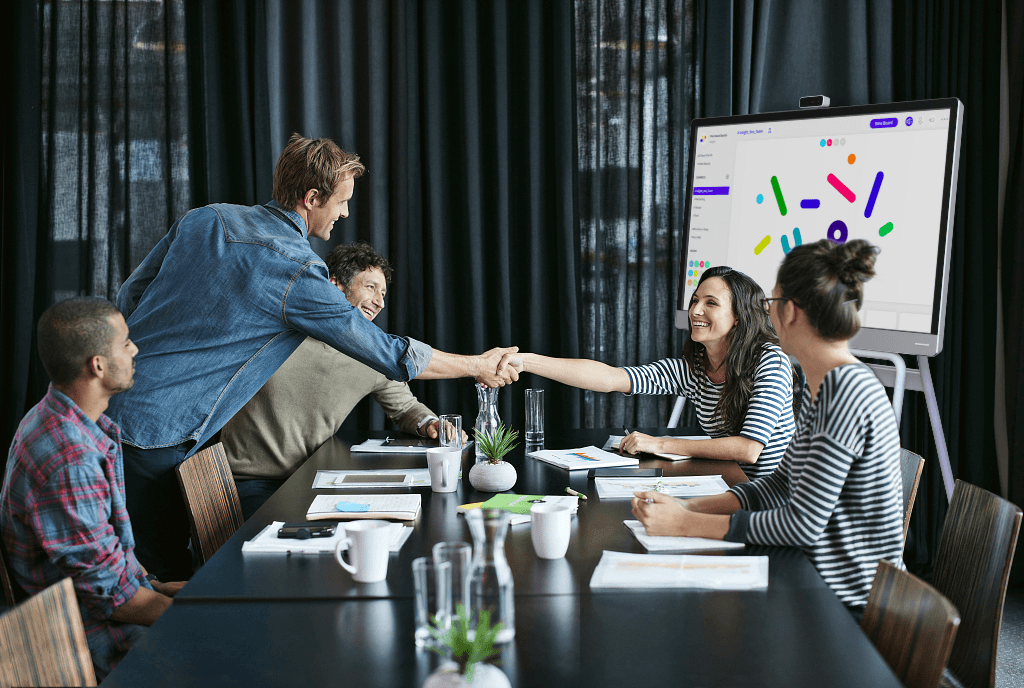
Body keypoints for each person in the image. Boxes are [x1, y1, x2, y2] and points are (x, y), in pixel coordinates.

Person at [106, 134, 517, 581]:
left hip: (114, 408)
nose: (343, 213)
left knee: (148, 570)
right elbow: (387, 353)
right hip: (155, 435)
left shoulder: (207, 219)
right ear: (311, 198)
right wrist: (477, 365)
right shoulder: (296, 270)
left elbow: (132, 294)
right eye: (340, 202)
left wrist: (158, 358)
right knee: (159, 581)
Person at [632, 239, 904, 613]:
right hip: (812, 582)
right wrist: (689, 507)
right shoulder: (820, 386)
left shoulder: (846, 391)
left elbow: (802, 525)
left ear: (790, 311)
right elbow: (778, 485)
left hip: (846, 607)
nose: (767, 315)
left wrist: (685, 525)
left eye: (771, 304)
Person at [0, 298, 185, 679]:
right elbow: (114, 600)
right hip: (83, 638)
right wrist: (201, 613)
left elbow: (111, 570)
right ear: (97, 365)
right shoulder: (70, 459)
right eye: (126, 343)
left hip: (101, 609)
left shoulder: (65, 419)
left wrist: (160, 587)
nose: (135, 350)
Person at [221, 241, 469, 519]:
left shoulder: (371, 354)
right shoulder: (276, 330)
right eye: (371, 287)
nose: (380, 302)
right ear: (335, 284)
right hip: (250, 483)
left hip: (316, 479)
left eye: (384, 293)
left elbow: (405, 407)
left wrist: (431, 424)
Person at [503, 266, 794, 479]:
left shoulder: (770, 362)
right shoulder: (693, 370)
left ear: (739, 317)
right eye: (695, 300)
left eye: (711, 303)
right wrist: (526, 361)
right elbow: (610, 378)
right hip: (732, 486)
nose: (695, 311)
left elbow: (748, 449)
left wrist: (660, 444)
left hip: (775, 496)